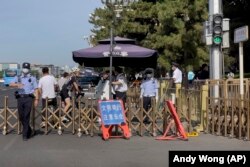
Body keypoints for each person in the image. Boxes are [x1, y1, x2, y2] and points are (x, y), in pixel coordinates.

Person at [9, 62, 39, 141]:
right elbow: (10, 84)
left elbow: (36, 89)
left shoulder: (32, 78)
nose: (25, 69)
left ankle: (25, 135)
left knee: (26, 115)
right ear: (22, 68)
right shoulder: (18, 77)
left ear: (29, 69)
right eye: (24, 68)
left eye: (27, 68)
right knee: (21, 116)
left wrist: (36, 99)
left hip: (28, 98)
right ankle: (28, 129)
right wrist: (17, 85)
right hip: (20, 98)